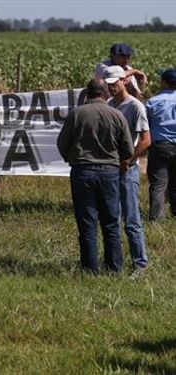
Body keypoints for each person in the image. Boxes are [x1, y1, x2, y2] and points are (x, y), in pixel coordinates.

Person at [57, 79, 134, 274]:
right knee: (111, 223)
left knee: (87, 223)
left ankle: (90, 270)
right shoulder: (117, 115)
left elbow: (62, 143)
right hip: (109, 172)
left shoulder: (76, 114)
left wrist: (72, 159)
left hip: (83, 171)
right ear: (107, 93)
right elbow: (128, 149)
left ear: (87, 93)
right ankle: (114, 269)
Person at [104, 65, 151, 275]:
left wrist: (130, 160)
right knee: (112, 218)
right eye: (108, 85)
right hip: (111, 167)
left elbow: (146, 140)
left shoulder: (135, 106)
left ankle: (140, 263)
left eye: (114, 84)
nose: (111, 88)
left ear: (123, 81)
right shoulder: (108, 105)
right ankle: (115, 264)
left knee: (131, 219)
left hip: (127, 168)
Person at [146, 68, 176, 220]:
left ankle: (157, 218)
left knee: (158, 185)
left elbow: (146, 126)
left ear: (164, 82)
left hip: (160, 146)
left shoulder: (153, 101)